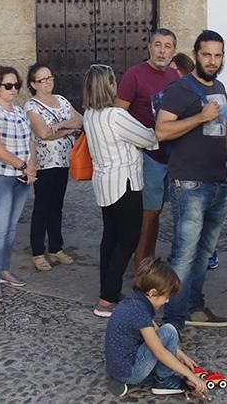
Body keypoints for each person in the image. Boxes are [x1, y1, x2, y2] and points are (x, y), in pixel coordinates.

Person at [155, 30, 227, 331]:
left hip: (217, 182)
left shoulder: (219, 86)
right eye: (207, 54)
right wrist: (200, 118)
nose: (212, 60)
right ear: (195, 54)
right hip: (188, 183)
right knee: (184, 253)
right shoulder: (179, 89)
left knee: (205, 252)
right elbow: (162, 131)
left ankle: (194, 306)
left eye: (218, 55)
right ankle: (173, 320)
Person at [83, 64, 159, 317]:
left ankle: (108, 290)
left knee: (111, 237)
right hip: (125, 182)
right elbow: (147, 138)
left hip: (104, 183)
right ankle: (107, 299)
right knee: (127, 239)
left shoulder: (89, 114)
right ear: (109, 85)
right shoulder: (115, 115)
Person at [114, 28, 179, 269]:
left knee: (158, 212)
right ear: (149, 47)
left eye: (168, 46)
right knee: (148, 215)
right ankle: (142, 267)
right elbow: (117, 115)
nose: (162, 50)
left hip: (169, 154)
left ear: (174, 50)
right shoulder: (134, 75)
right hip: (146, 156)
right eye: (158, 45)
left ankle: (148, 260)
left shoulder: (174, 77)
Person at [105, 258, 207, 398]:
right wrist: (190, 375)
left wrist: (180, 354)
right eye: (166, 296)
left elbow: (155, 331)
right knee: (170, 331)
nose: (167, 301)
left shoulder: (134, 301)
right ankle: (163, 382)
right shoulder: (139, 311)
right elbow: (159, 351)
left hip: (116, 369)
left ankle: (121, 380)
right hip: (130, 372)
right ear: (152, 293)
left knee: (165, 334)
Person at [0, 66, 35, 302]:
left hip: (21, 176)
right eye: (8, 86)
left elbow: (30, 140)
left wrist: (32, 164)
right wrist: (23, 166)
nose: (13, 90)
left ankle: (4, 271)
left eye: (16, 85)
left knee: (11, 228)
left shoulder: (20, 111)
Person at [25, 62, 82, 271]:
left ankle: (56, 248)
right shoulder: (31, 107)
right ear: (33, 84)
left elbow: (80, 119)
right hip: (44, 163)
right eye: (43, 79)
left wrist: (60, 126)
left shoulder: (61, 100)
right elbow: (43, 133)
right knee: (42, 206)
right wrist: (68, 129)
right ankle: (38, 251)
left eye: (50, 78)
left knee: (57, 205)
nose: (48, 82)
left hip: (64, 160)